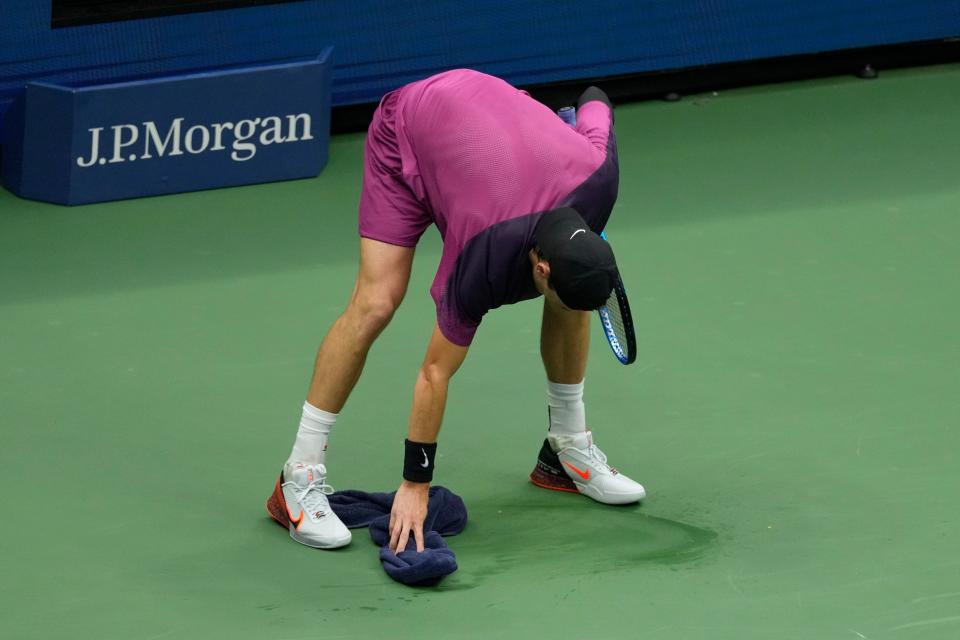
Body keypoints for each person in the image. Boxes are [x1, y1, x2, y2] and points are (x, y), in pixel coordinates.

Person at [265, 69, 646, 553]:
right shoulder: (480, 257)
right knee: (376, 302)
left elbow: (595, 97)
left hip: (485, 122)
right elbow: (434, 373)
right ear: (541, 269)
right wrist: (414, 486)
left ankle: (565, 451)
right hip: (409, 125)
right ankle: (295, 480)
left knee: (575, 300)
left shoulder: (599, 176)